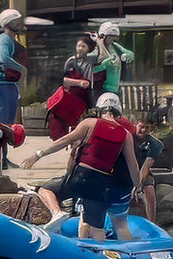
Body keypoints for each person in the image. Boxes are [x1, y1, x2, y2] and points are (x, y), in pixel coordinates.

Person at [24, 93, 140, 239]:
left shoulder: (89, 123)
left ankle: (57, 214)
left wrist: (38, 155)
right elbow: (133, 166)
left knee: (45, 188)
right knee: (97, 228)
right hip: (100, 183)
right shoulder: (126, 134)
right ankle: (109, 255)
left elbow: (63, 141)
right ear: (119, 113)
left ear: (99, 109)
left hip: (79, 178)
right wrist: (137, 186)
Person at [46, 35, 96, 140]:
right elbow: (64, 81)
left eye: (84, 46)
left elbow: (89, 83)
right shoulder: (70, 61)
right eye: (79, 46)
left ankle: (76, 139)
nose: (80, 48)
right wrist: (79, 82)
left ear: (88, 49)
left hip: (81, 96)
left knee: (79, 119)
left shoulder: (88, 63)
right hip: (69, 95)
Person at [0, 8, 28, 125]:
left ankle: (4, 142)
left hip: (10, 83)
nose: (18, 23)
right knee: (1, 120)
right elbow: (4, 59)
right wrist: (22, 69)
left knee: (9, 121)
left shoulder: (12, 40)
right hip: (2, 84)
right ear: (7, 23)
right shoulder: (4, 39)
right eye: (15, 21)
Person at [90, 22, 133, 96]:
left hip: (116, 88)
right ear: (103, 37)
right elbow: (90, 68)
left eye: (113, 37)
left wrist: (125, 55)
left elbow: (131, 54)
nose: (111, 40)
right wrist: (105, 63)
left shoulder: (115, 46)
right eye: (109, 37)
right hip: (103, 88)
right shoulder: (97, 49)